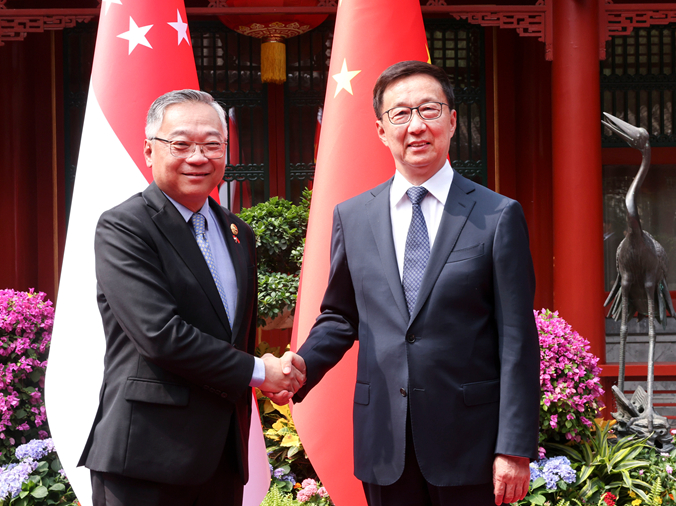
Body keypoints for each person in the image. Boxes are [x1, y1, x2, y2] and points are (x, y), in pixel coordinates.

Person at [277, 61, 540, 506]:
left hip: (469, 441)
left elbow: (517, 335)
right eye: (400, 114)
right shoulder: (354, 216)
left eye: (429, 110)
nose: (416, 125)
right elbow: (341, 316)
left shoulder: (497, 215)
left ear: (452, 121)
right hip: (384, 438)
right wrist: (301, 367)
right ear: (381, 130)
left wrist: (513, 447)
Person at [78, 89, 303, 506]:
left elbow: (234, 334)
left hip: (220, 457)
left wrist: (271, 373)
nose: (198, 157)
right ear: (149, 150)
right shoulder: (124, 228)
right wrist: (259, 371)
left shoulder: (238, 232)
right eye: (180, 144)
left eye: (212, 144)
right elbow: (160, 334)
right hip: (146, 459)